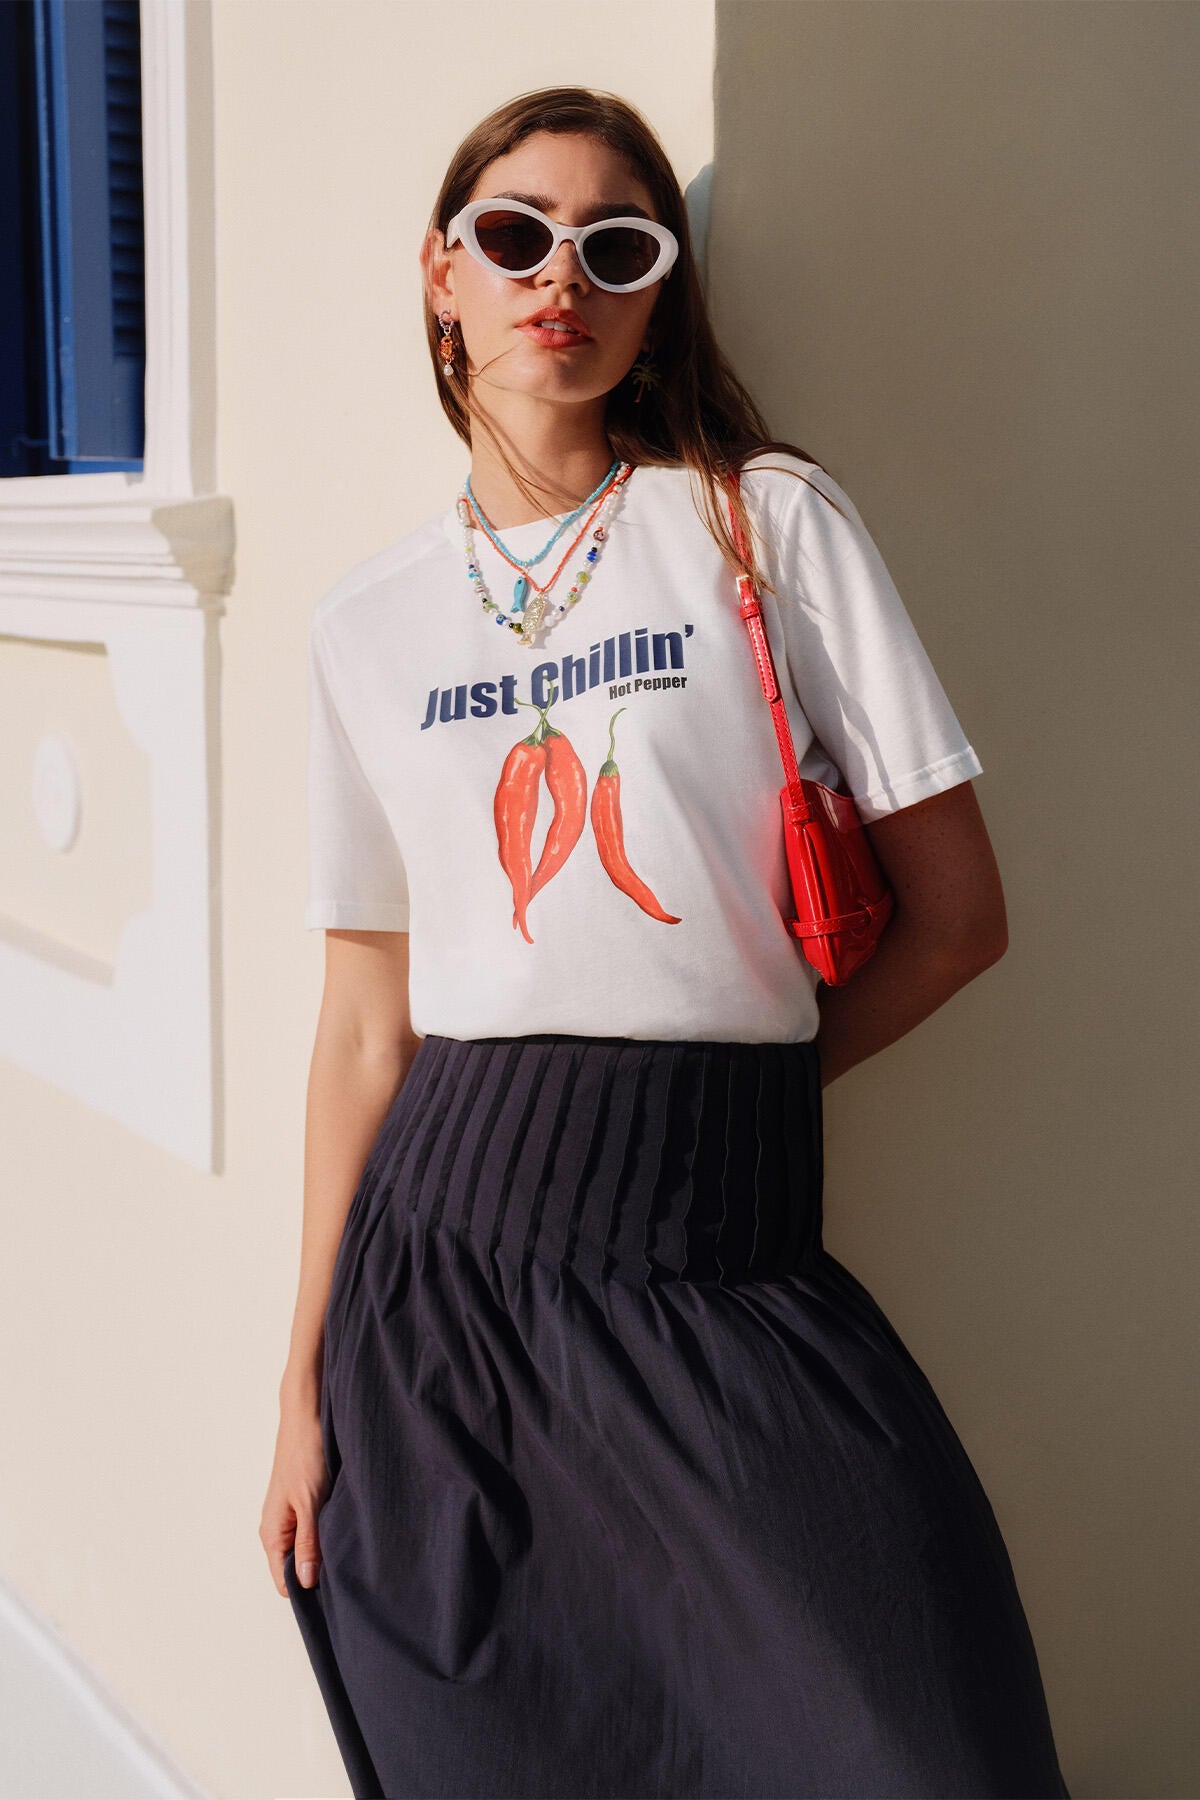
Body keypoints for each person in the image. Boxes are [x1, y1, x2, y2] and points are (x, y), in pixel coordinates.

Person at [260, 85, 1070, 1800]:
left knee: (930, 1754)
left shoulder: (758, 525)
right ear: (443, 278)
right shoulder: (362, 627)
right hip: (438, 1291)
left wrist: (718, 1094)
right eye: (515, 236)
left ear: (660, 295)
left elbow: (958, 922)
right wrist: (301, 1380)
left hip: (724, 1254)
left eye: (615, 246)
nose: (561, 275)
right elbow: (362, 1026)